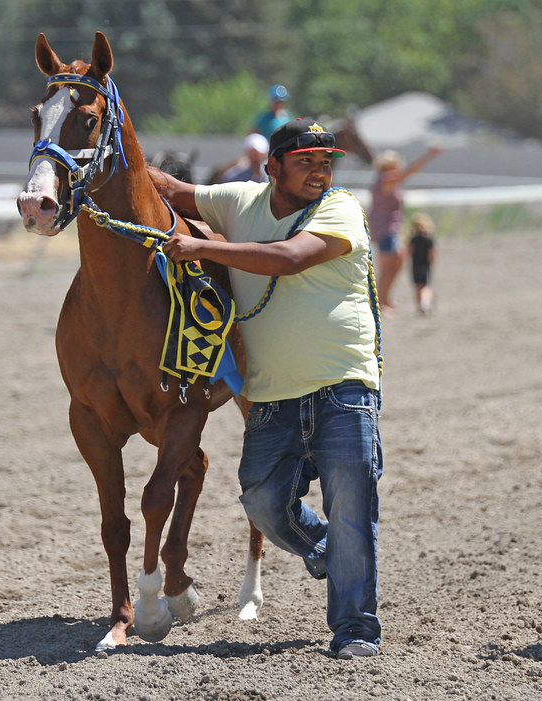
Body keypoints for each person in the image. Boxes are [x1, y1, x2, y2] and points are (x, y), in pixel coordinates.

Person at [151, 119, 384, 660]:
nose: (320, 172)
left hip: (344, 388)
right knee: (261, 502)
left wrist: (203, 248)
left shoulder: (341, 208)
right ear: (272, 166)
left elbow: (290, 258)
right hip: (272, 396)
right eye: (306, 162)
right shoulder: (238, 201)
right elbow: (172, 190)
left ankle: (354, 630)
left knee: (351, 510)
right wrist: (108, 144)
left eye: (325, 162)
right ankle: (329, 550)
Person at [367, 146, 442, 314]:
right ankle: (379, 303)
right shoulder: (386, 179)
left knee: (397, 262)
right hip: (385, 230)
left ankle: (384, 299)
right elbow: (410, 172)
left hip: (388, 230)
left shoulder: (384, 181)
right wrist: (429, 155)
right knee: (387, 268)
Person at [407, 212, 437, 315]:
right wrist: (431, 262)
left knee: (417, 287)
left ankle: (420, 306)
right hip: (425, 265)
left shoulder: (413, 239)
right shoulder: (429, 239)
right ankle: (425, 303)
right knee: (426, 286)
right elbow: (432, 253)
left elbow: (409, 252)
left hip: (415, 265)